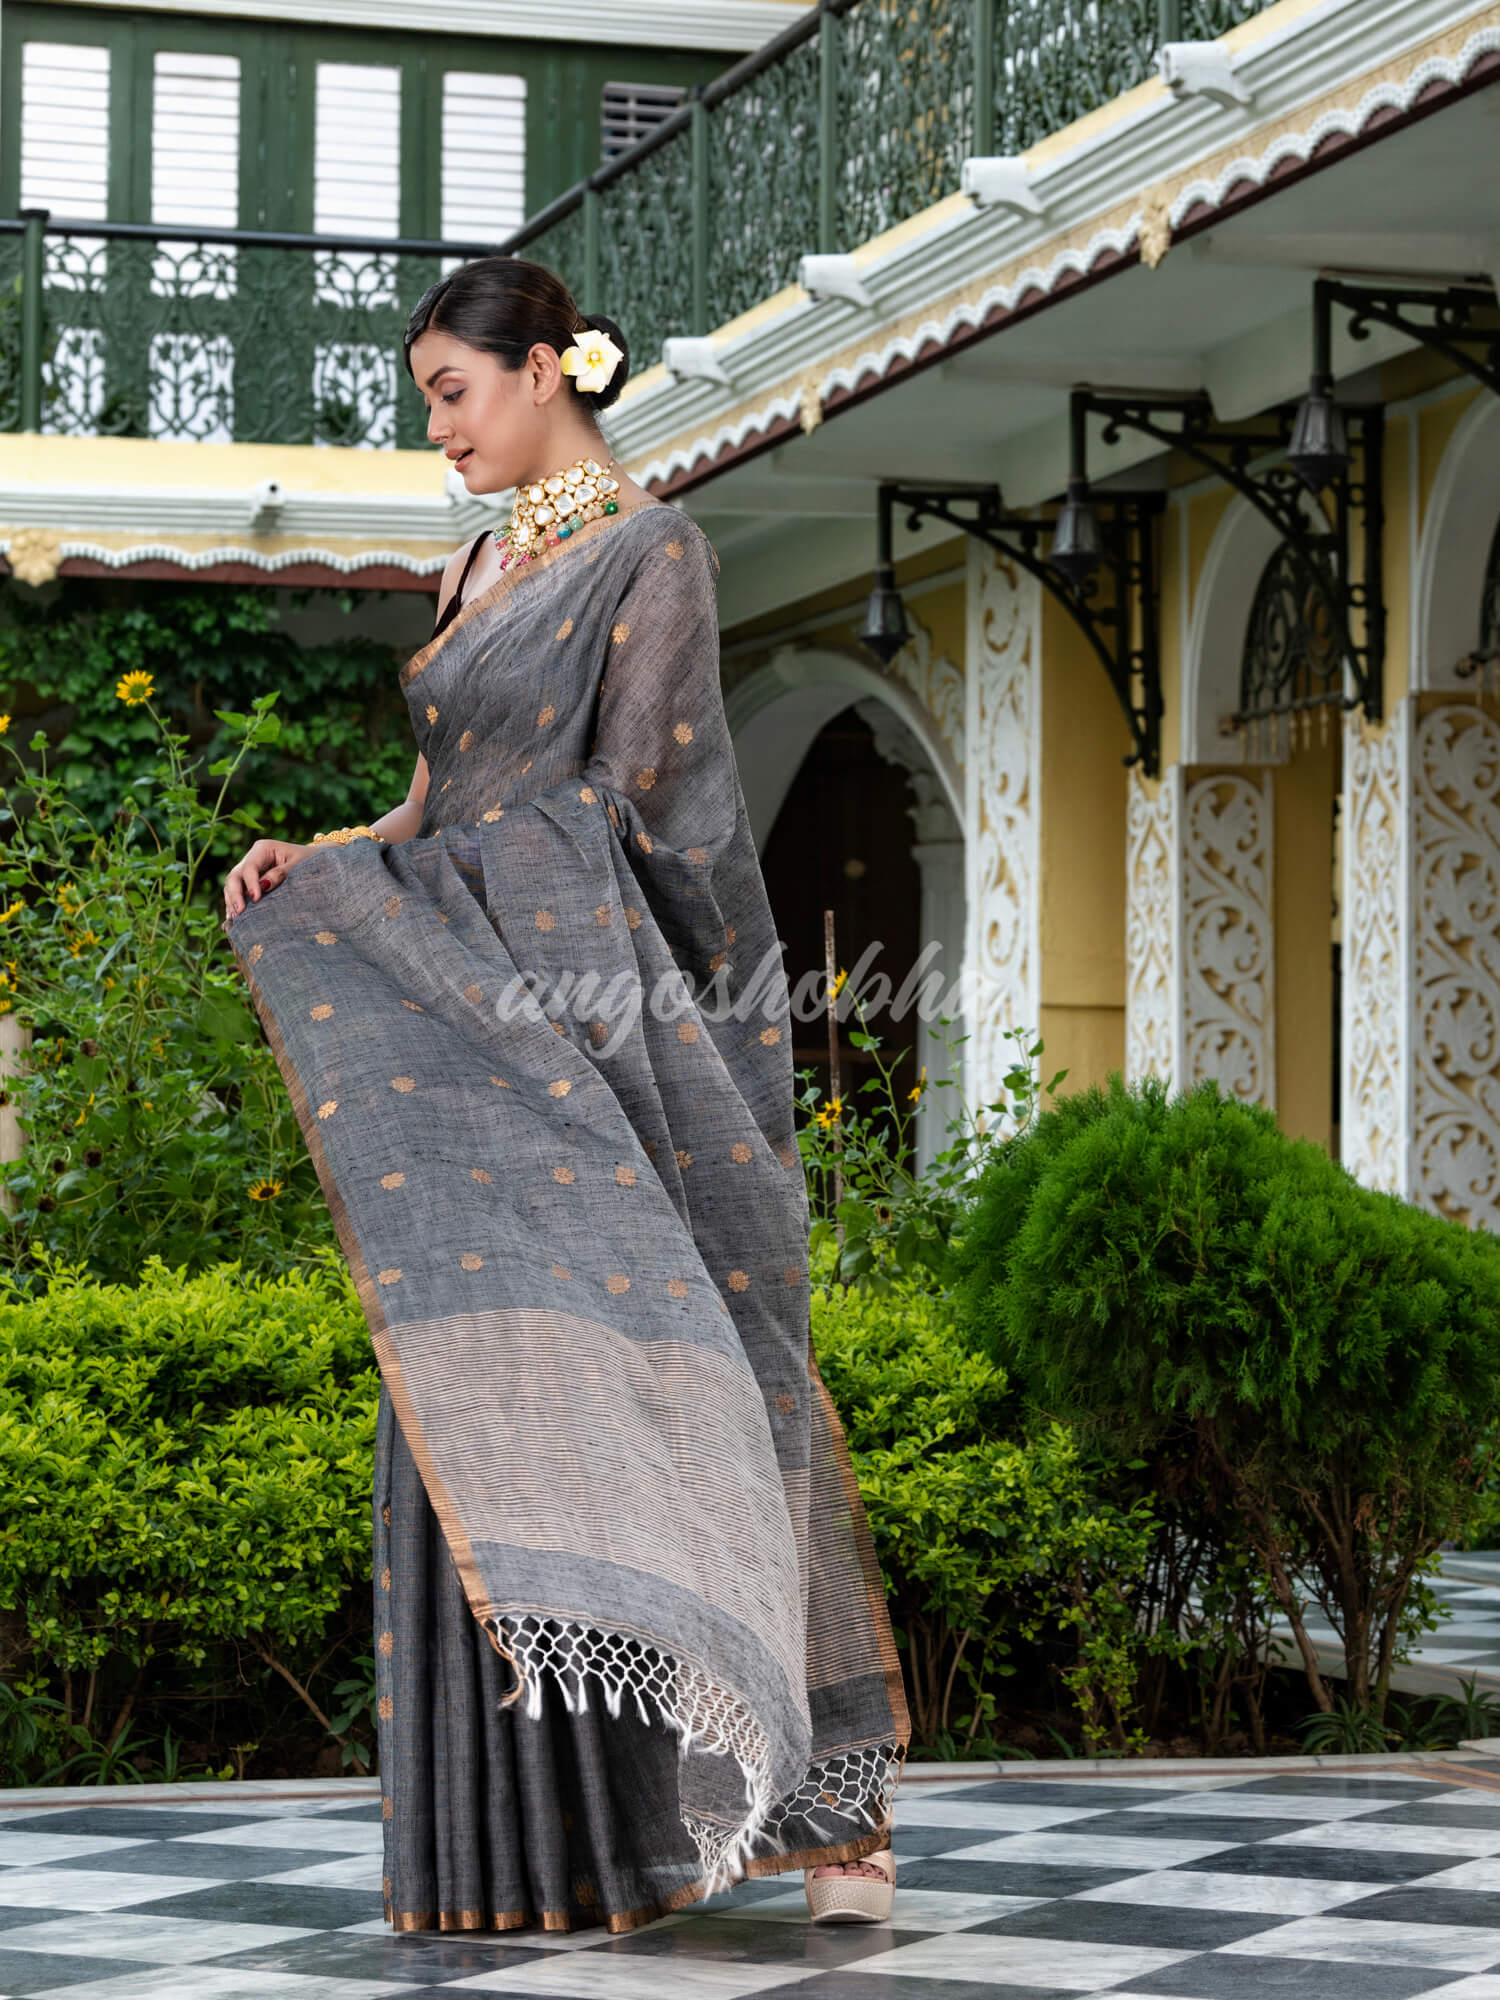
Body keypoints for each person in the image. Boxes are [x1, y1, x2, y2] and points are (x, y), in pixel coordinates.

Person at [220, 256, 908, 1936]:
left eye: (453, 393)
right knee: (474, 1389)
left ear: (546, 371)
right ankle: (552, 1850)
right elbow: (438, 794)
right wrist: (327, 858)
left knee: (702, 1385)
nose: (438, 431)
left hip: (597, 1035)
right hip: (481, 1019)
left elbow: (646, 814)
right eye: (428, 404)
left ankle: (832, 1817)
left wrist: (452, 892)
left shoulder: (649, 551)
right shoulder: (477, 560)